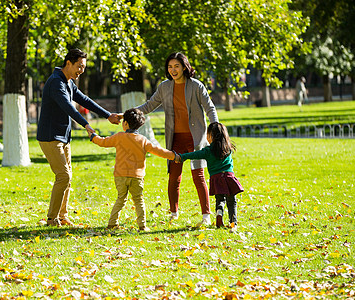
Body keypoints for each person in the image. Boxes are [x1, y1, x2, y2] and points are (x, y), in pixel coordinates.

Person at [37, 48, 121, 227]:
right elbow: (69, 107)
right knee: (63, 176)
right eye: (79, 66)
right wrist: (86, 125)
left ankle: (62, 215)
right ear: (68, 63)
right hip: (50, 136)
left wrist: (108, 115)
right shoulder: (56, 83)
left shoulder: (68, 82)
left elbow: (85, 100)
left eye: (83, 67)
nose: (81, 70)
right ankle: (52, 219)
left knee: (67, 177)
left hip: (63, 137)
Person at [135, 52, 219, 226]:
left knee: (199, 175)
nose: (173, 70)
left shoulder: (196, 86)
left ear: (184, 67)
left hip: (195, 138)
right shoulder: (165, 87)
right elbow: (150, 105)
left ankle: (206, 215)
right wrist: (129, 114)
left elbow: (210, 108)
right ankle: (173, 213)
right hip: (175, 139)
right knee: (174, 176)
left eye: (176, 66)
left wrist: (216, 128)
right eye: (170, 67)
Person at [89, 108, 177, 231]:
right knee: (138, 200)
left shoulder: (119, 137)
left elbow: (103, 142)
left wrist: (93, 137)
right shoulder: (143, 140)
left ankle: (112, 223)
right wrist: (173, 156)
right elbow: (159, 151)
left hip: (120, 176)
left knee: (121, 199)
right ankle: (142, 225)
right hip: (137, 177)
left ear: (125, 123)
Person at [175, 122, 244, 230]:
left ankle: (219, 212)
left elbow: (194, 154)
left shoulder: (208, 150)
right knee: (232, 201)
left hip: (216, 178)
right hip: (229, 176)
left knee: (220, 199)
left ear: (211, 136)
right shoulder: (228, 148)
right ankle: (233, 223)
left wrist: (182, 157)